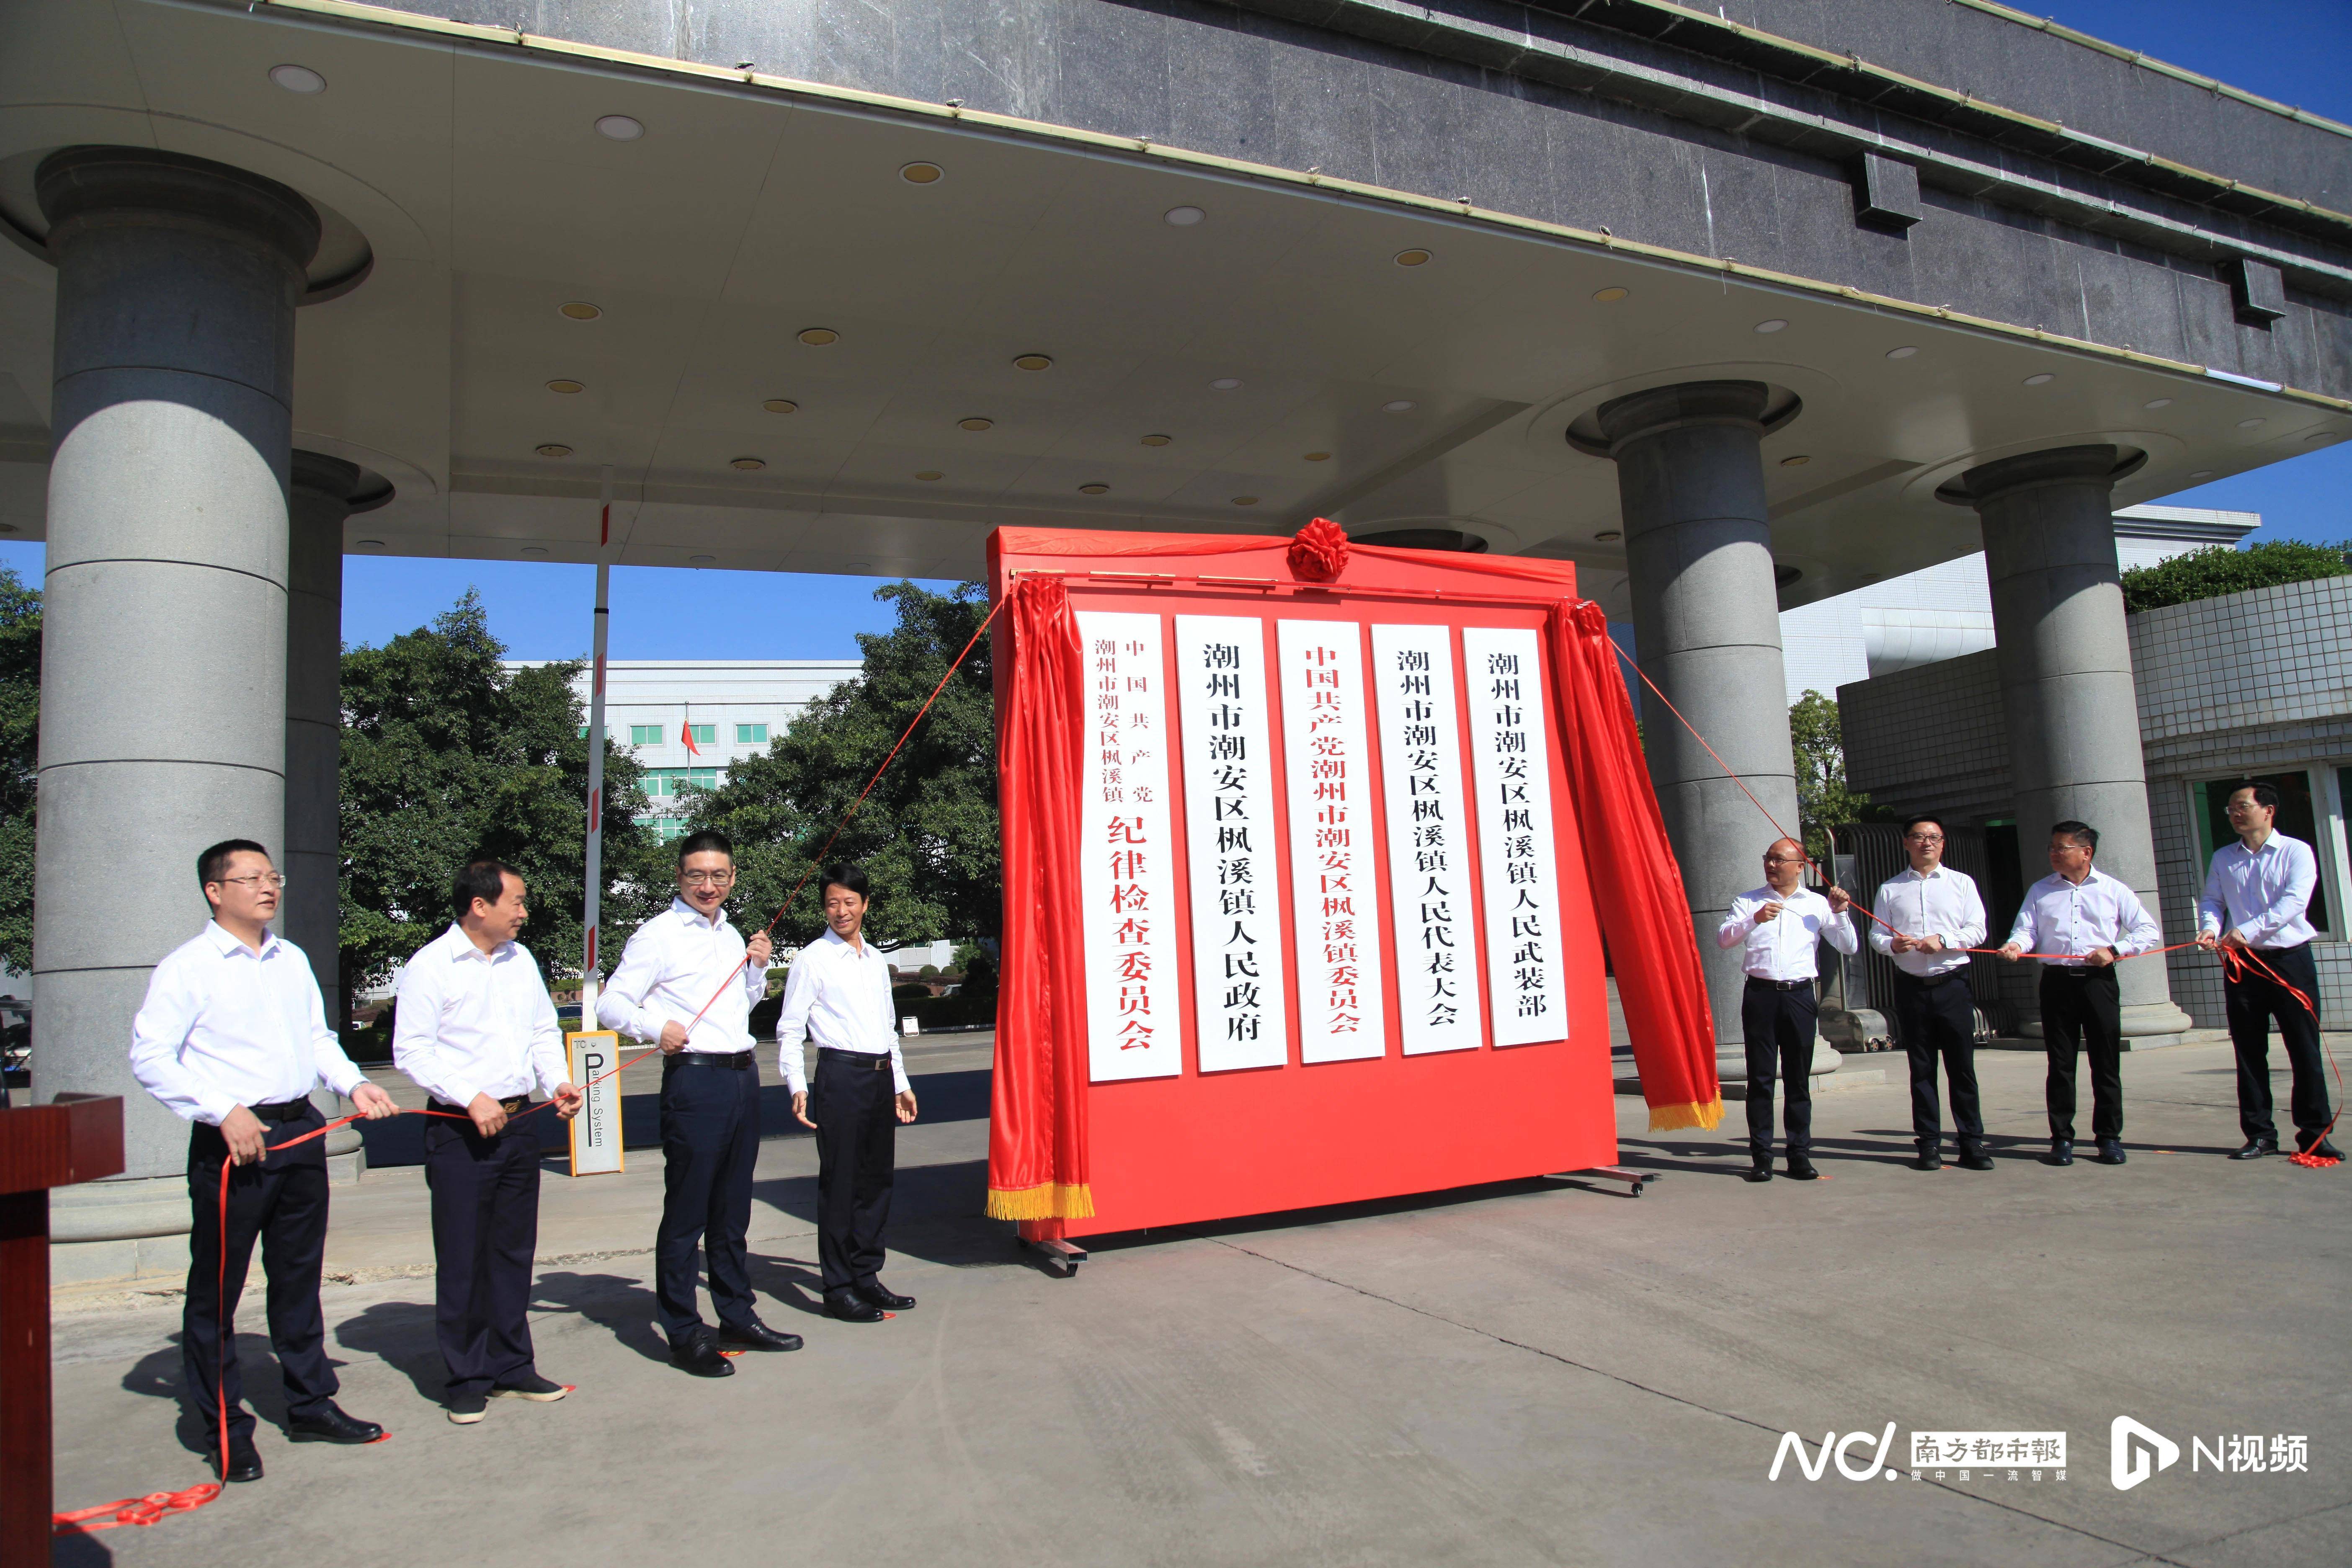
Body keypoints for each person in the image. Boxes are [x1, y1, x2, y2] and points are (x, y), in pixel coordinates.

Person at [128, 840, 399, 1483]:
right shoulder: (188, 968)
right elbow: (150, 1056)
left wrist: (352, 1083)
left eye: (271, 876)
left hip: (298, 1129)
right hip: (234, 1143)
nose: (267, 887)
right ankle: (223, 1427)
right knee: (217, 1291)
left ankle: (309, 1404)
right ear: (215, 892)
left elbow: (316, 1039)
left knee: (299, 1278)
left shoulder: (290, 959)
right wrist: (222, 1108)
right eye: (250, 878)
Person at [598, 830, 800, 1374]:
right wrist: (653, 1026)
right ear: (680, 878)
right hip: (694, 1082)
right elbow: (610, 1003)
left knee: (732, 1211)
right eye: (696, 876)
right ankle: (684, 1331)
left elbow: (740, 1005)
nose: (707, 886)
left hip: (741, 1077)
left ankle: (737, 1314)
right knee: (688, 1214)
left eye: (718, 876)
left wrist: (758, 967)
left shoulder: (733, 934)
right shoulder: (657, 936)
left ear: (732, 879)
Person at [394, 858, 586, 1424]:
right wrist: (468, 1095)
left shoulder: (521, 961)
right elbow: (413, 1051)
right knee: (462, 1257)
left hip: (519, 1121)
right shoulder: (432, 966)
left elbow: (541, 1031)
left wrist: (557, 1082)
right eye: (517, 902)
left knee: (511, 1251)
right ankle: (466, 1375)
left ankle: (511, 1365)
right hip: (460, 1128)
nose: (524, 912)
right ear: (480, 906)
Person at [778, 863, 918, 1322]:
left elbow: (888, 1028)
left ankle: (866, 1275)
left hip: (879, 1077)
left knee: (877, 1181)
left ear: (865, 905)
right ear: (824, 907)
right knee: (841, 1184)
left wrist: (900, 1083)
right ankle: (837, 1287)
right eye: (832, 903)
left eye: (849, 902)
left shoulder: (876, 959)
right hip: (840, 1076)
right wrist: (796, 1083)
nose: (841, 911)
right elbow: (791, 1027)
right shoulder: (812, 959)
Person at [1998, 821, 2160, 1168]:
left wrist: (2115, 950)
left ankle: (2109, 1139)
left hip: (2098, 981)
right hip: (2056, 983)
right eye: (2052, 847)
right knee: (2060, 1064)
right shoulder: (2041, 891)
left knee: (2105, 1062)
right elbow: (2026, 931)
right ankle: (2061, 1139)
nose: (2054, 853)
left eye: (2062, 847)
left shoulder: (2114, 890)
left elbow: (2148, 931)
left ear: (2086, 853)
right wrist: (2015, 945)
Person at [2197, 782, 2338, 1161]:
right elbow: (2213, 899)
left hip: (2289, 961)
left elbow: (2294, 902)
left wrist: (2246, 931)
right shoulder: (2224, 857)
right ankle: (2260, 1134)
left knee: (2304, 1050)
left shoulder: (2296, 852)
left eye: (2242, 806)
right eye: (2230, 809)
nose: (2235, 814)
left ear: (2268, 810)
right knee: (2249, 1050)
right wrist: (2210, 926)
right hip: (2243, 964)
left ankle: (2315, 1134)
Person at [1716, 837, 1857, 1182]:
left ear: (1800, 866)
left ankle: (1799, 1155)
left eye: (1780, 860)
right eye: (1768, 859)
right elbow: (1724, 938)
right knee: (1761, 1079)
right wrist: (1754, 920)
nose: (1772, 865)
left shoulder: (1816, 903)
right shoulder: (1749, 900)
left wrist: (1840, 913)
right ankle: (1762, 1156)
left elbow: (1848, 946)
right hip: (1761, 995)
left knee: (1797, 1080)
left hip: (1799, 995)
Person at [1869, 815, 1991, 1172]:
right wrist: (1893, 943)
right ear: (1906, 843)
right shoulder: (1890, 889)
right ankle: (1929, 1144)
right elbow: (1877, 938)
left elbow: (1978, 930)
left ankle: (1972, 1142)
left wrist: (1944, 941)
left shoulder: (1961, 884)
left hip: (1952, 983)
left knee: (1962, 1068)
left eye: (1935, 837)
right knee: (1921, 1069)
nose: (1927, 843)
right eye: (1919, 837)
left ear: (1943, 843)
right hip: (1911, 988)